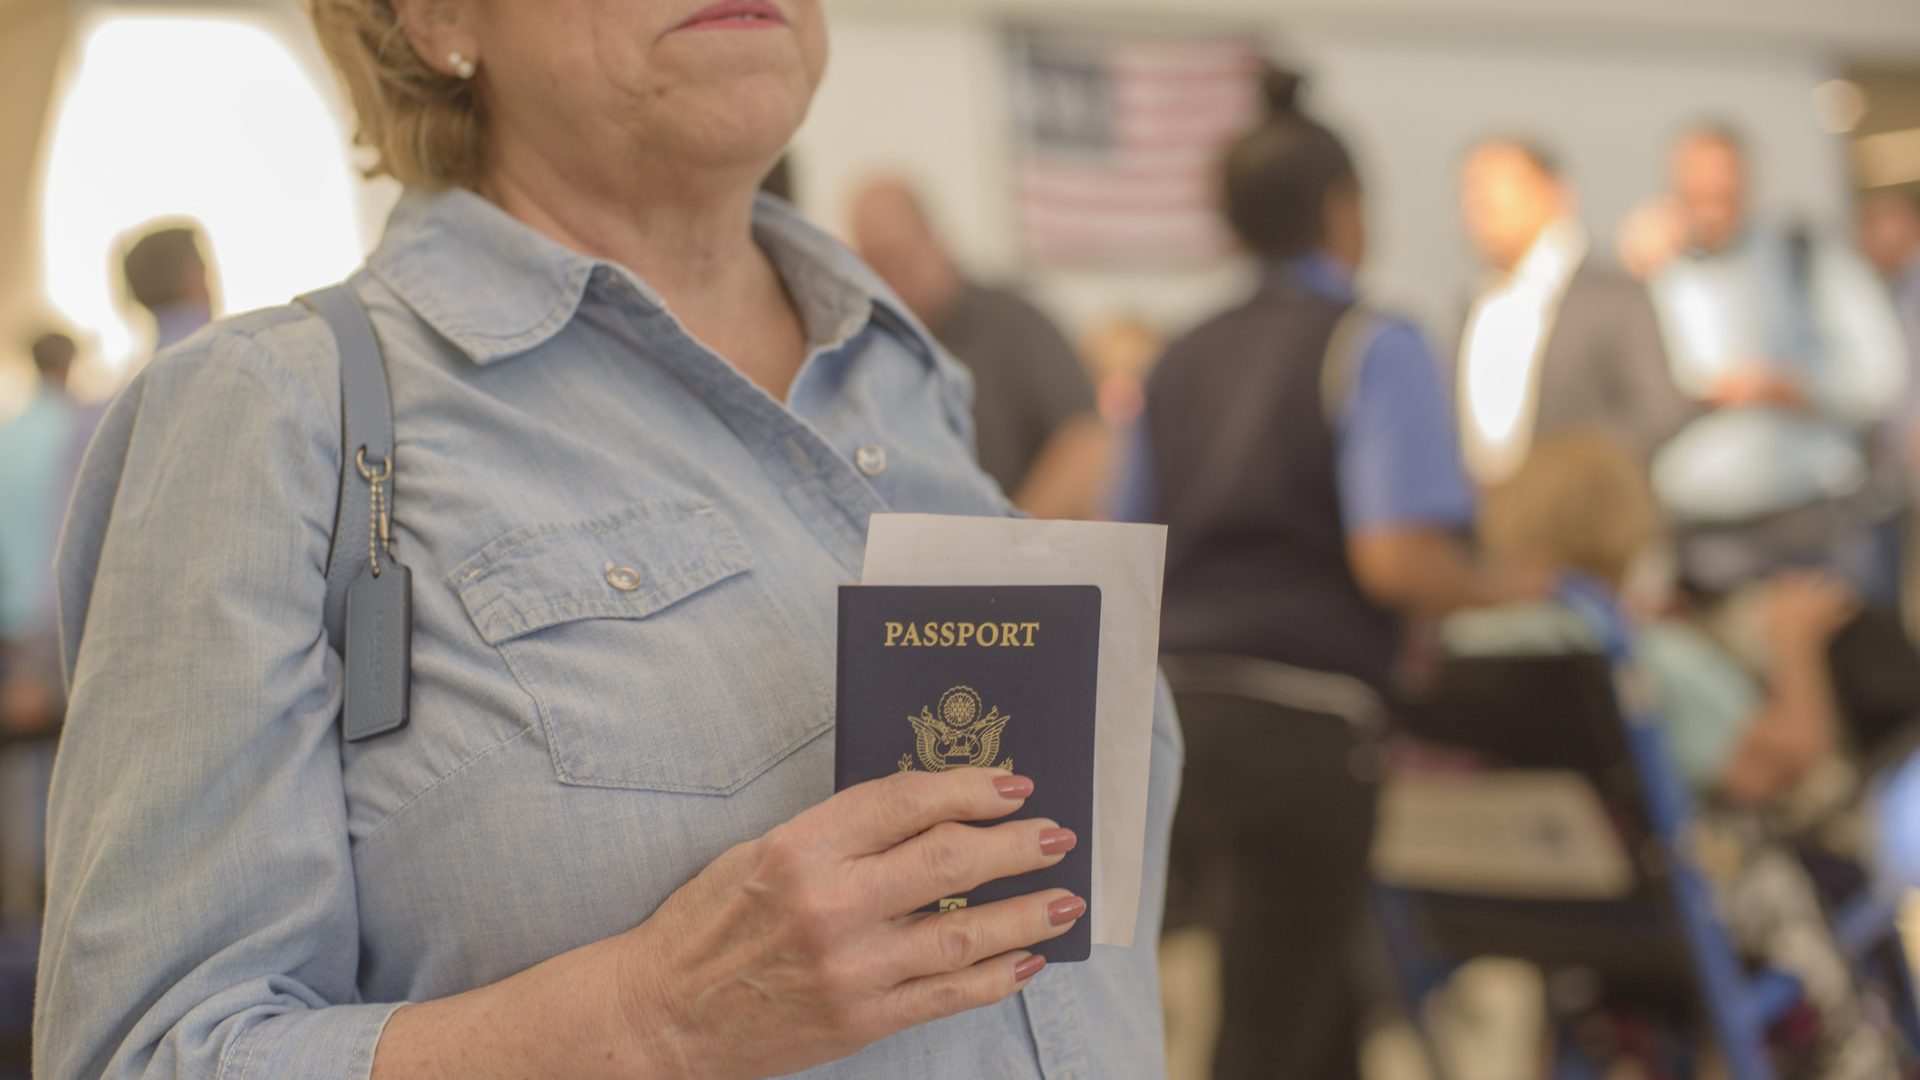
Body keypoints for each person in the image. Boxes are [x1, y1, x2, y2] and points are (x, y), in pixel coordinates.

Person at [38, 2, 1181, 1078]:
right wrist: (651, 1018)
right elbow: (149, 1051)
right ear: (435, 16)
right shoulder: (272, 416)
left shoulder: (908, 384)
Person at [1128, 68, 1545, 1080]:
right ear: (1344, 210)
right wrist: (1516, 584)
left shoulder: (1179, 357)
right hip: (1306, 721)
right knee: (1272, 1028)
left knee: (1298, 1011)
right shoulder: (1371, 338)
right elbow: (1397, 556)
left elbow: (1125, 543)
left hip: (1171, 716)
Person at [1448, 432, 1898, 1077]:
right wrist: (1793, 641)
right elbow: (1786, 764)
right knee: (1841, 853)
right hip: (1681, 915)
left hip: (1536, 914)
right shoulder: (1638, 653)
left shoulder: (1462, 646)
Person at [1634, 125, 1907, 535]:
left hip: (1806, 517)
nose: (1710, 204)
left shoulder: (1804, 258)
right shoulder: (1656, 272)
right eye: (1696, 190)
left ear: (1745, 182)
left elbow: (1881, 379)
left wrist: (1789, 389)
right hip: (1691, 527)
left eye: (1721, 190)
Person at [850, 177, 1111, 519]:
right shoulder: (859, 342)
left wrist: (1011, 546)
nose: (892, 277)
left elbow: (1084, 440)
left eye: (899, 255)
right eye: (876, 261)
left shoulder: (1016, 324)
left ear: (934, 238)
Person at [1454, 137, 1692, 486]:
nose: (1479, 204)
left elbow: (1659, 411)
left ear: (1555, 193)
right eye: (1470, 191)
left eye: (1497, 186)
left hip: (1583, 525)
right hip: (1487, 524)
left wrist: (1567, 478)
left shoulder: (1614, 296)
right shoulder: (1473, 303)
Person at [120, 223, 215, 355]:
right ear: (187, 280)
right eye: (203, 274)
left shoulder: (147, 367)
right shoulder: (221, 353)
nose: (210, 288)